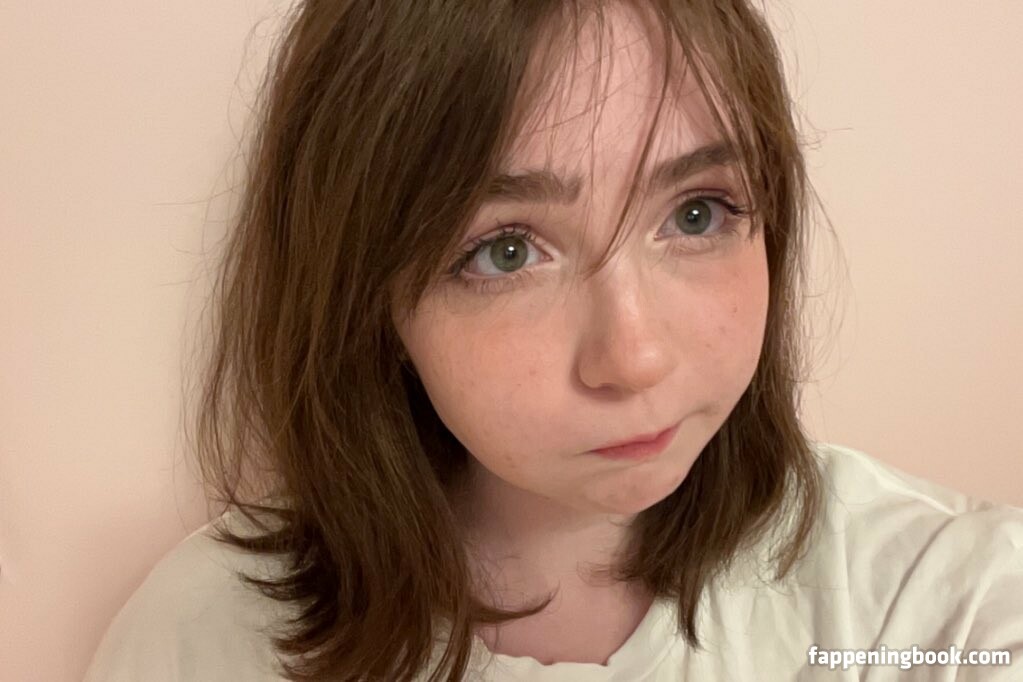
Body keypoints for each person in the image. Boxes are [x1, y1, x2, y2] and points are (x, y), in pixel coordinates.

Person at [84, 0, 1023, 680]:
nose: (635, 357)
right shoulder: (214, 637)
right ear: (366, 294)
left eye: (696, 214)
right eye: (505, 251)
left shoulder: (925, 603)